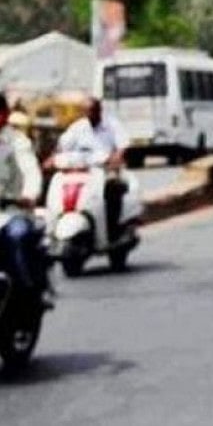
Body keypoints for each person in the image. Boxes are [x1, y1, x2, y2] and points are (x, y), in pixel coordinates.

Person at [56, 97, 130, 243]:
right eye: (87, 111)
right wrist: (53, 158)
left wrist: (115, 159)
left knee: (113, 188)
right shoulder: (78, 127)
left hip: (105, 170)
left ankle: (113, 231)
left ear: (99, 111)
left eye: (93, 111)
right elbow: (62, 146)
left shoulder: (112, 125)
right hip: (81, 172)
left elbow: (123, 146)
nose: (90, 114)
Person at [0, 94, 47, 294]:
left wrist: (29, 194)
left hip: (12, 211)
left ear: (5, 114)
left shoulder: (17, 142)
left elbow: (30, 170)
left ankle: (26, 290)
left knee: (18, 236)